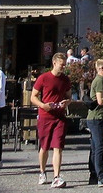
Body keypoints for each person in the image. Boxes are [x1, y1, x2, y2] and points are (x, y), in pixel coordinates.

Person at [31, 52, 72, 188]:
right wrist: (43, 105)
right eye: (61, 65)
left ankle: (56, 176)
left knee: (58, 146)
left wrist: (66, 102)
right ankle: (42, 172)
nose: (63, 67)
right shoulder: (43, 78)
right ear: (54, 63)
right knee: (44, 147)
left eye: (64, 65)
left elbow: (68, 96)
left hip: (60, 116)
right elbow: (33, 97)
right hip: (45, 116)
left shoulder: (65, 79)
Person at [84, 59, 103, 187]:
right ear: (102, 69)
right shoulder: (100, 81)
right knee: (100, 146)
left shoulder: (102, 81)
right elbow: (100, 101)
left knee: (95, 147)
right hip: (96, 118)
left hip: (96, 118)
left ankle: (94, 175)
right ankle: (101, 176)